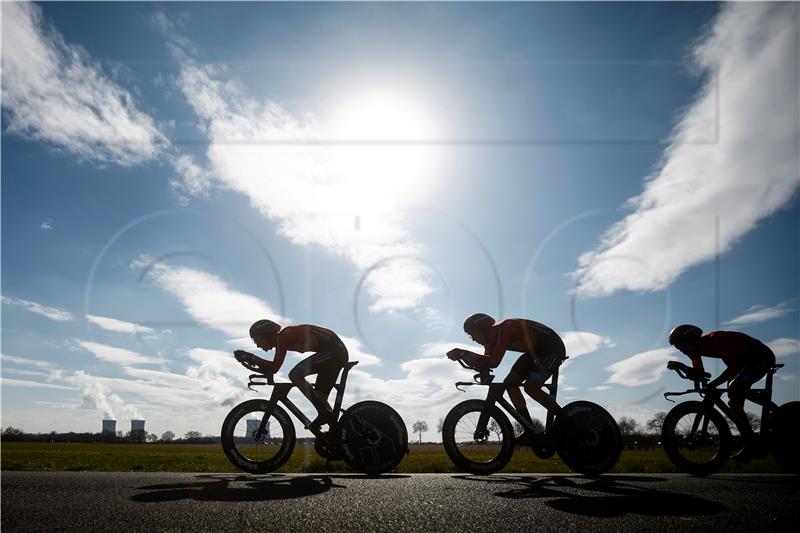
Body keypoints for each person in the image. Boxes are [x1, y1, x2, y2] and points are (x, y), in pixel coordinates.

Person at [448, 313, 567, 444]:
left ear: (483, 328)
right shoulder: (490, 343)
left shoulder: (505, 328)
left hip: (552, 348)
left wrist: (464, 353)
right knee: (510, 384)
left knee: (531, 388)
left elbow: (493, 362)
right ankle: (530, 430)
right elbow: (486, 363)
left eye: (472, 333)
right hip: (535, 352)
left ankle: (565, 419)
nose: (472, 338)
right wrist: (473, 363)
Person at [668, 324, 776, 461]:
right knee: (734, 401)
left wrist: (714, 383)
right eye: (676, 347)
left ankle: (776, 415)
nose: (680, 350)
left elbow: (733, 368)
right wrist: (681, 366)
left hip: (761, 357)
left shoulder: (720, 340)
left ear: (692, 340)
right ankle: (750, 443)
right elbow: (699, 372)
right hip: (741, 362)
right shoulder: (692, 350)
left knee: (735, 387)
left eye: (681, 345)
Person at [241, 319, 349, 430]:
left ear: (267, 333)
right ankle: (337, 432)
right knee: (320, 397)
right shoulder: (283, 339)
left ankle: (324, 414)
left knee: (295, 374)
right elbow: (272, 368)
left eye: (257, 340)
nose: (258, 345)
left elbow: (275, 367)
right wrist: (253, 361)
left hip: (334, 353)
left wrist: (252, 358)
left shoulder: (284, 337)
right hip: (335, 353)